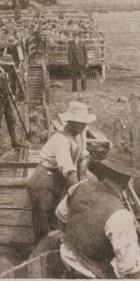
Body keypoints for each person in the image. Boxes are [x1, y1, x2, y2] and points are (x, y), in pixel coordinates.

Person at [55, 147, 140, 279]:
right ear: (127, 179)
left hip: (66, 258)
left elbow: (60, 214)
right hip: (90, 275)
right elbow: (131, 270)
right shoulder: (120, 215)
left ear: (105, 171)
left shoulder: (80, 187)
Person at [28, 101, 95, 238]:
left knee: (59, 215)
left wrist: (83, 187)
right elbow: (70, 171)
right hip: (44, 179)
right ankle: (40, 248)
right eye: (79, 122)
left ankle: (58, 246)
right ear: (70, 122)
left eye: (84, 122)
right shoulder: (60, 139)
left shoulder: (80, 134)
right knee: (44, 216)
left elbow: (82, 161)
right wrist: (79, 195)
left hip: (60, 177)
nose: (83, 125)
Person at [0, 59, 22, 149]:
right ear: (4, 65)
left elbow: (7, 86)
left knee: (11, 120)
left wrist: (12, 96)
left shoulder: (5, 72)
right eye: (9, 65)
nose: (11, 67)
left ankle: (14, 142)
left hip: (6, 100)